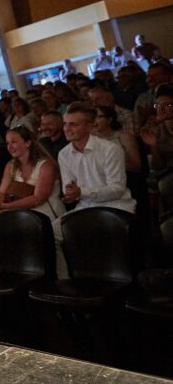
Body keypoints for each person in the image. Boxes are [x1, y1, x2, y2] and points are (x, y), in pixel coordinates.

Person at [57, 103, 136, 277]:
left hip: (116, 207)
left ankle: (115, 279)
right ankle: (66, 281)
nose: (67, 129)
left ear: (90, 126)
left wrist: (81, 192)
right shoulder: (64, 154)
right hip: (85, 207)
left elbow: (117, 189)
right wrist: (70, 194)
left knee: (92, 235)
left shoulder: (110, 149)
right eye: (65, 124)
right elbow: (70, 188)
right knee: (51, 233)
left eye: (73, 124)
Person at [0, 126, 64, 227]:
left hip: (45, 214)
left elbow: (38, 198)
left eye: (14, 142)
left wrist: (6, 207)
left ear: (28, 143)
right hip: (19, 212)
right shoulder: (10, 165)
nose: (9, 147)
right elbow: (1, 192)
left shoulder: (46, 165)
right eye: (7, 143)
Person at [140, 84, 173, 172]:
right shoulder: (155, 129)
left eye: (167, 105)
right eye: (157, 105)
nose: (161, 109)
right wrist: (154, 146)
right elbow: (158, 167)